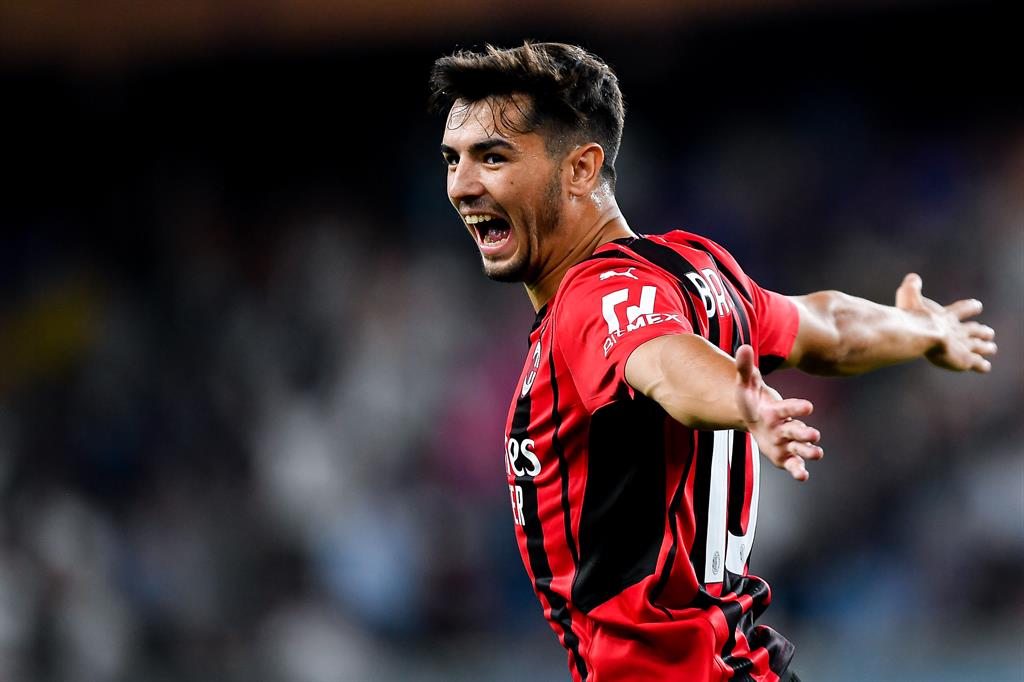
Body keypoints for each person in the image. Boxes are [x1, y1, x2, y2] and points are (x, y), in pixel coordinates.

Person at [429, 42, 997, 682]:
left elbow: (664, 365)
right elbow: (829, 328)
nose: (462, 185)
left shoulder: (596, 297)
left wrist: (740, 400)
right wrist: (919, 329)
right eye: (453, 159)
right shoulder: (696, 268)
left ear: (582, 168)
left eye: (494, 158)